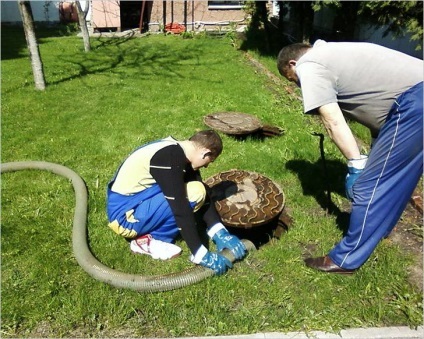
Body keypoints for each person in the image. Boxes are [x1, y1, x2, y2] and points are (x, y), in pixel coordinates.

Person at [277, 40, 423, 274]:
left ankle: (345, 260)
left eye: (293, 80)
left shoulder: (309, 64)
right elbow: (379, 105)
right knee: (401, 178)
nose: (297, 86)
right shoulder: (335, 53)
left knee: (368, 186)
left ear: (294, 63)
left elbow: (332, 120)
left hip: (415, 105)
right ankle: (379, 229)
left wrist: (356, 165)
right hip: (414, 100)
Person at [106, 130, 247, 275]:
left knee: (198, 189)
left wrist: (219, 232)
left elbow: (202, 190)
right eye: (209, 162)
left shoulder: (179, 151)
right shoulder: (170, 158)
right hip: (125, 217)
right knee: (193, 193)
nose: (206, 167)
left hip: (138, 201)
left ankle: (151, 232)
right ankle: (149, 240)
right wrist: (200, 253)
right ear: (205, 153)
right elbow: (180, 208)